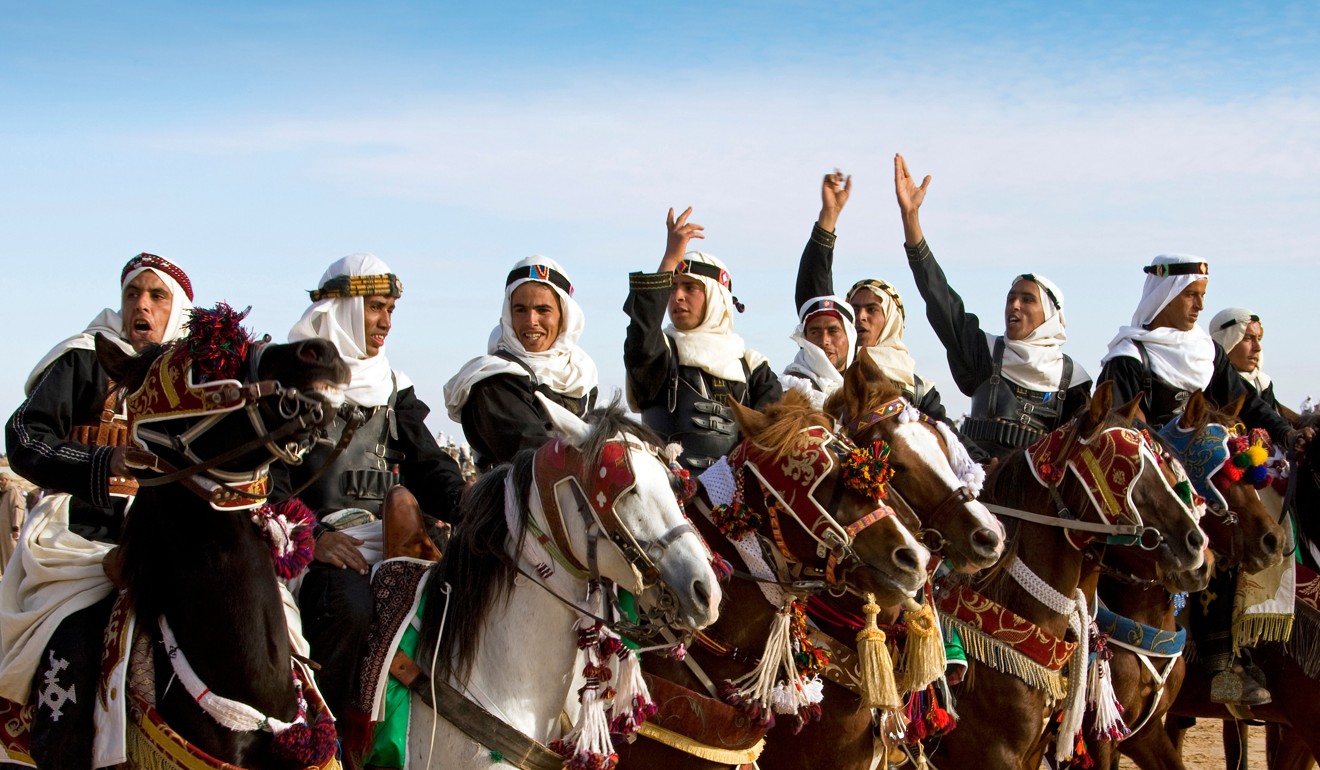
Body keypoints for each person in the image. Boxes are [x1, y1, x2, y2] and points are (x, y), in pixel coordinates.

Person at [2, 253, 194, 769]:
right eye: (134, 294)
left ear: (177, 310)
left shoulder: (194, 376)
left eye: (157, 296)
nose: (142, 305)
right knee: (76, 644)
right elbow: (22, 438)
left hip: (177, 538)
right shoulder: (84, 357)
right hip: (84, 540)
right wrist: (101, 460)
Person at [1098, 256, 1313, 707]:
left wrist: (1288, 433)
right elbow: (1119, 423)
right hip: (1152, 477)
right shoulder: (1129, 355)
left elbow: (1247, 403)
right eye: (1191, 296)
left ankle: (1247, 647)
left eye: (1202, 297)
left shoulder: (1205, 352)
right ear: (1169, 295)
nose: (1198, 306)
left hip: (1203, 465)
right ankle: (1214, 660)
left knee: (1258, 511)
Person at [274, 253, 466, 727]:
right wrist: (312, 538)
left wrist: (474, 507)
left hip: (393, 535)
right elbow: (271, 480)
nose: (385, 322)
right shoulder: (287, 383)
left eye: (391, 311)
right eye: (376, 307)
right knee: (352, 608)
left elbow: (428, 465)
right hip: (317, 544)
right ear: (341, 308)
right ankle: (328, 735)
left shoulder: (394, 387)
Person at [895, 154, 1092, 461]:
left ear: (1050, 316)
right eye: (1010, 298)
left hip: (1035, 501)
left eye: (1027, 299)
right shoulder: (985, 353)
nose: (1014, 305)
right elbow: (939, 299)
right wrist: (911, 220)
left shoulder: (1073, 380)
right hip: (976, 485)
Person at [624, 207, 782, 473]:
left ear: (716, 296)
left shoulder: (752, 366)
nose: (678, 297)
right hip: (670, 500)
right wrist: (669, 261)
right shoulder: (660, 351)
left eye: (690, 287)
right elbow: (641, 336)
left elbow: (771, 438)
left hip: (735, 503)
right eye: (672, 288)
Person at [444, 256, 599, 472]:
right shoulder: (493, 380)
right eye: (520, 310)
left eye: (543, 310)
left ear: (564, 316)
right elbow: (536, 455)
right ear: (508, 315)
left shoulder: (580, 374)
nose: (531, 320)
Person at [1209, 308, 1298, 422]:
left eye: (1259, 339)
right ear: (1226, 340)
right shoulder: (1204, 380)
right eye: (1247, 338)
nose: (1258, 348)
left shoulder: (1262, 384)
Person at [0, 474, 26, 572]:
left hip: (10, 528)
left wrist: (16, 527)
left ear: (7, 480)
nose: (0, 482)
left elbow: (17, 509)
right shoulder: (3, 492)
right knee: (4, 552)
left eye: (1, 480)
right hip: (3, 528)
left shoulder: (12, 490)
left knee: (12, 551)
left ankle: (15, 574)